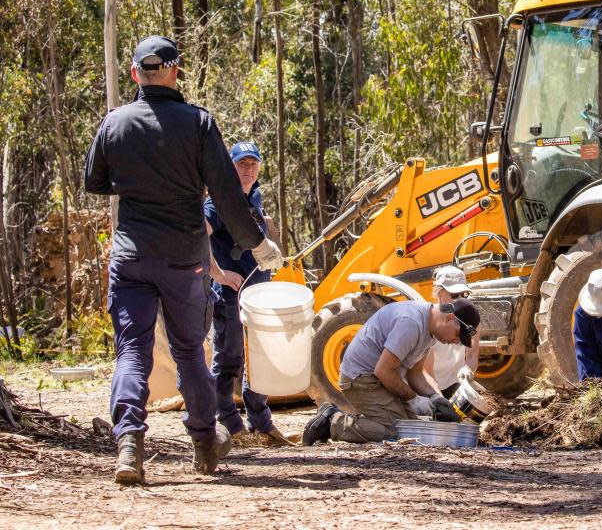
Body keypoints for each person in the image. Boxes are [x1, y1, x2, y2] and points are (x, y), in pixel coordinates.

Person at [84, 36, 284, 485]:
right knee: (190, 350)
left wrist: (139, 181)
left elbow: (93, 181)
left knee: (131, 352)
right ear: (175, 72)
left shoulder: (115, 123)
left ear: (136, 75)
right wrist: (256, 242)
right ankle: (204, 443)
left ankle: (130, 443)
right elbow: (228, 195)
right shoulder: (198, 123)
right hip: (184, 259)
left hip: (132, 255)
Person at [300, 299, 481, 445]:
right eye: (458, 335)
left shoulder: (431, 332)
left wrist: (435, 398)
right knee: (396, 430)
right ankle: (333, 422)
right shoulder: (411, 323)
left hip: (378, 379)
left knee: (414, 428)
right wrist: (415, 399)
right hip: (360, 379)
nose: (456, 341)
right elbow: (383, 371)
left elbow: (415, 374)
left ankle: (365, 421)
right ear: (449, 318)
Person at [205, 141, 290, 445]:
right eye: (242, 164)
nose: (248, 170)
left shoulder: (255, 196)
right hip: (229, 295)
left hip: (258, 296)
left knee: (261, 358)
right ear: (230, 167)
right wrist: (219, 273)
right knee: (228, 359)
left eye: (253, 164)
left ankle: (261, 422)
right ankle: (228, 422)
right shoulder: (217, 203)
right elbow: (199, 233)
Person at [427, 266, 479, 396]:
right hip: (430, 387)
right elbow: (426, 372)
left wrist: (468, 369)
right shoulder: (429, 321)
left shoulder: (470, 317)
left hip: (455, 385)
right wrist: (438, 399)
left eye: (464, 294)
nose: (460, 299)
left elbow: (472, 356)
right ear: (439, 293)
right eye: (454, 294)